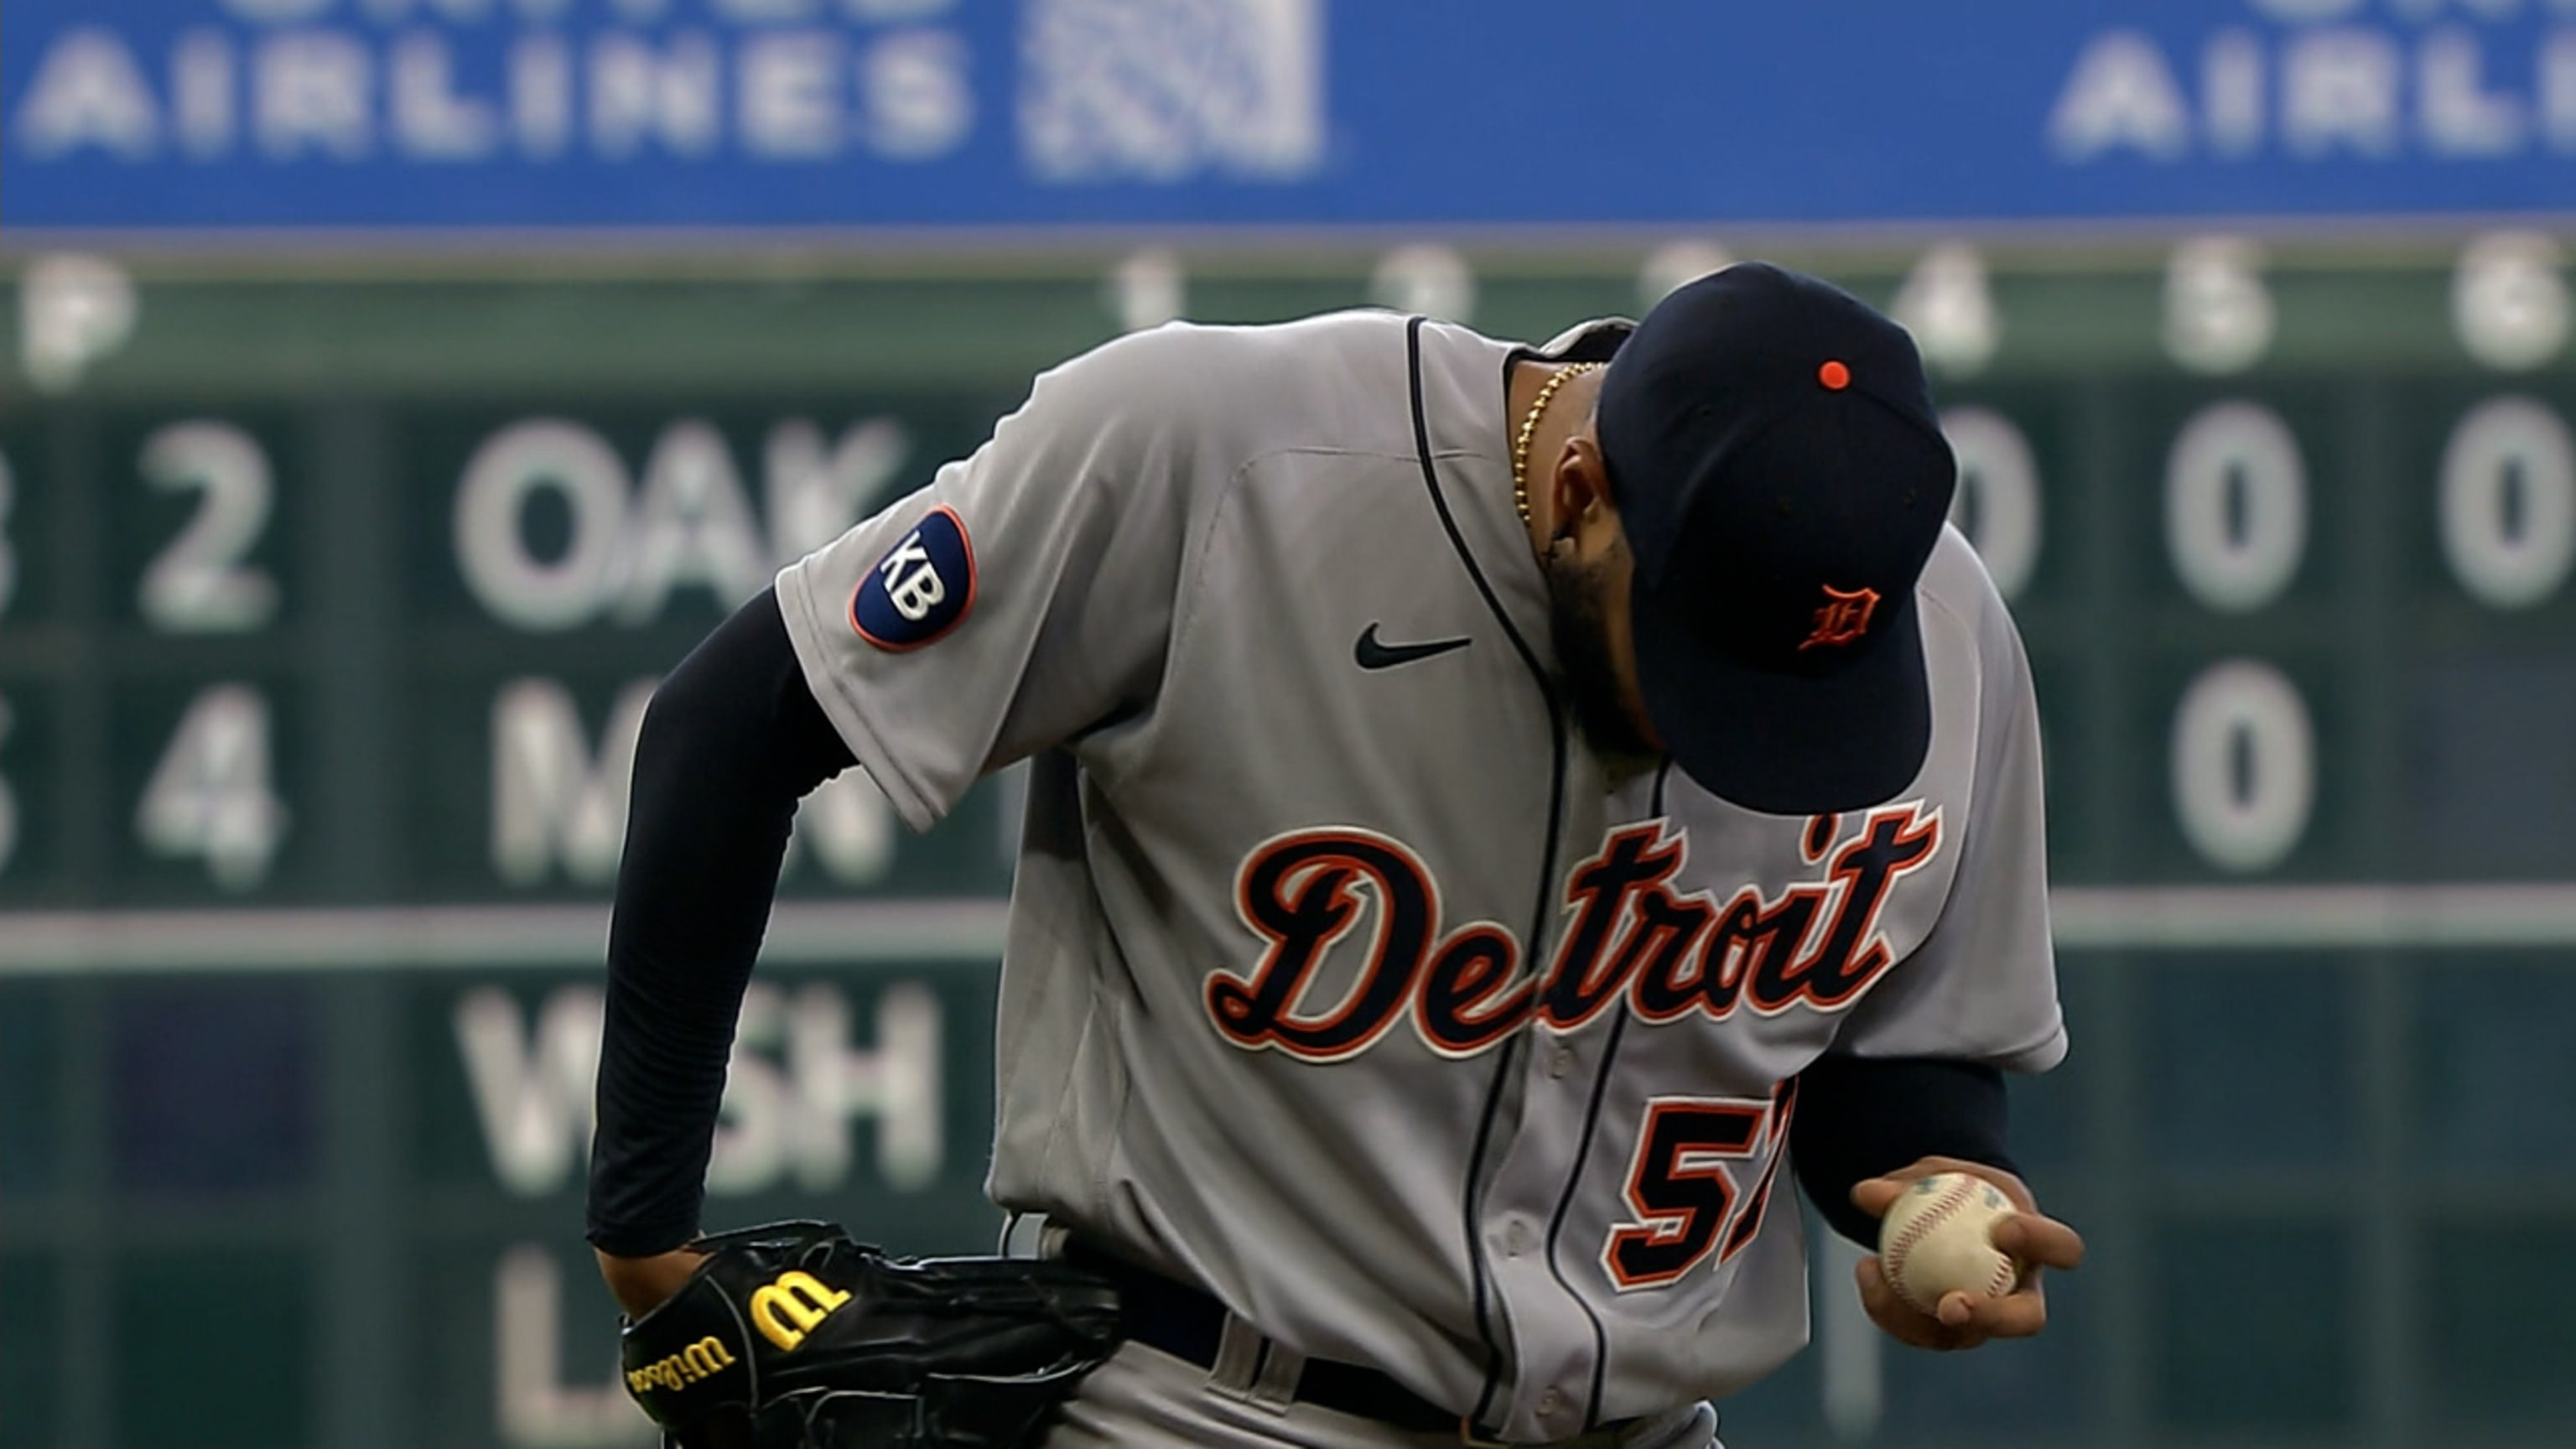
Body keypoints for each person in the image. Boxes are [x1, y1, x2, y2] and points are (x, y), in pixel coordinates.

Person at [585, 262, 2082, 1449]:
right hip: (1205, 1405)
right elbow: (737, 723)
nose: (1726, 737)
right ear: (1579, 497)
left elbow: (1887, 1050)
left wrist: (1932, 1180)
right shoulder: (1224, 456)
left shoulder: (1941, 633)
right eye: (1697, 664)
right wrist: (649, 1241)